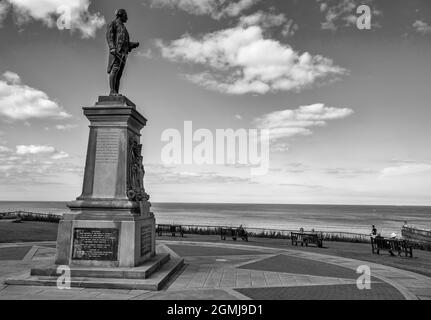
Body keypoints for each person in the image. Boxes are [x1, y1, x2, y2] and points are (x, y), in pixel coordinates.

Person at [106, 9, 140, 96]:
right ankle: (112, 91)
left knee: (119, 74)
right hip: (117, 51)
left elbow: (124, 42)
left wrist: (132, 44)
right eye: (126, 15)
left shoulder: (124, 28)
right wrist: (112, 48)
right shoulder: (113, 23)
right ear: (120, 14)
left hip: (124, 54)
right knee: (115, 70)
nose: (127, 18)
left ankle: (115, 92)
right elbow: (109, 36)